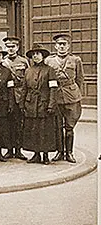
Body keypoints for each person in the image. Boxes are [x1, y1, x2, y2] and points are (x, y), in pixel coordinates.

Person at [45, 34, 84, 163]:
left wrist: (76, 94)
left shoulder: (76, 60)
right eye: (59, 44)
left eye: (64, 44)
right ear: (55, 46)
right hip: (56, 96)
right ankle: (60, 152)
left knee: (69, 126)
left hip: (72, 97)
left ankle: (70, 153)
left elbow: (79, 79)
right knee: (57, 126)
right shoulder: (49, 60)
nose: (62, 46)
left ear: (68, 46)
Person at [22, 44, 58, 165]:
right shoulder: (28, 71)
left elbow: (53, 89)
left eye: (38, 54)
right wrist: (22, 104)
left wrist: (51, 104)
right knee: (33, 129)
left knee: (45, 129)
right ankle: (36, 154)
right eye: (33, 54)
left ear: (43, 56)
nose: (36, 56)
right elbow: (24, 89)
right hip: (31, 104)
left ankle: (45, 155)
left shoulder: (50, 70)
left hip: (44, 103)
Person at [1, 36, 29, 160]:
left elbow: (28, 79)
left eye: (13, 47)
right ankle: (9, 149)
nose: (10, 49)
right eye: (8, 47)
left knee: (19, 123)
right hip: (7, 97)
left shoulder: (23, 62)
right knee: (7, 124)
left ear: (17, 47)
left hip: (19, 95)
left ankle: (18, 150)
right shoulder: (2, 61)